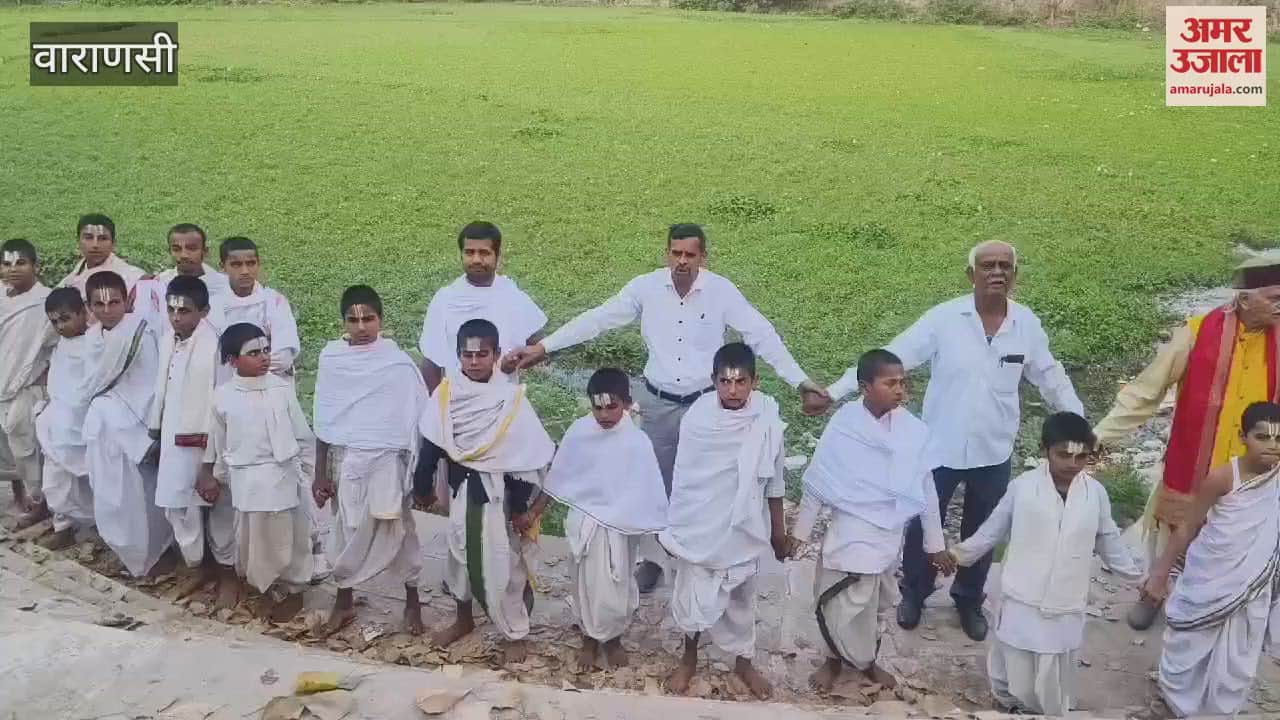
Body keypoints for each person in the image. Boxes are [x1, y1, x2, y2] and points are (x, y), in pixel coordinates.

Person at [508, 223, 827, 592]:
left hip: (707, 408)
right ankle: (655, 559)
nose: (682, 261)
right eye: (675, 253)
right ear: (666, 254)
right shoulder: (646, 288)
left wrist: (800, 381)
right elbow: (598, 319)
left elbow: (761, 334)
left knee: (705, 484)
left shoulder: (721, 292)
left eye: (690, 254)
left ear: (703, 258)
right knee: (655, 481)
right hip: (658, 404)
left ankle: (704, 555)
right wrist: (544, 347)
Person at [818, 241, 1084, 641]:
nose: (997, 272)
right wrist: (834, 391)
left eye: (1005, 266)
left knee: (985, 528)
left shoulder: (1025, 325)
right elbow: (895, 354)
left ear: (1015, 275)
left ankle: (968, 598)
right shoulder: (945, 318)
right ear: (970, 275)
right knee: (923, 522)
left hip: (994, 449)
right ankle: (914, 593)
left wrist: (1078, 424)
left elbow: (1049, 375)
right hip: (939, 446)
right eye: (988, 266)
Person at [1094, 251, 1280, 631]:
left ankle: (1217, 607)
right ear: (1244, 298)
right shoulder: (1197, 331)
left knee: (1234, 547)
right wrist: (1097, 437)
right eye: (1275, 298)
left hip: (1254, 471)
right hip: (1195, 466)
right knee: (1172, 538)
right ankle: (1154, 593)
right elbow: (1146, 391)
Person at [944, 412, 1142, 716]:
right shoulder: (1022, 488)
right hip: (1023, 595)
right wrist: (957, 555)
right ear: (1044, 451)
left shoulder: (1095, 495)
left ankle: (1047, 709)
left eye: (1081, 457)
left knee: (1054, 667)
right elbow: (991, 531)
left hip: (1067, 599)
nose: (1072, 464)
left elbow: (1110, 542)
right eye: (1063, 454)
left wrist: (1140, 579)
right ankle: (1010, 704)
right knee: (1015, 660)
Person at [785, 349, 954, 693]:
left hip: (888, 538)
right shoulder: (844, 426)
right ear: (865, 387)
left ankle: (867, 661)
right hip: (848, 535)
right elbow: (819, 482)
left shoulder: (912, 432)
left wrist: (935, 545)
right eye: (890, 383)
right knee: (836, 606)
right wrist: (800, 533)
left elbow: (925, 490)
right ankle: (832, 660)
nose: (899, 390)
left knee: (878, 605)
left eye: (902, 383)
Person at [414, 319, 556, 665]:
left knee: (503, 563)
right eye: (467, 354)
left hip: (499, 498)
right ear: (458, 355)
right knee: (459, 555)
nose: (474, 361)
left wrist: (521, 507)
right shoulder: (446, 395)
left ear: (495, 355)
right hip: (462, 490)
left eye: (482, 354)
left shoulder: (509, 399)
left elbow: (525, 458)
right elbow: (432, 444)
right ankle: (463, 618)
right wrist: (422, 486)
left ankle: (514, 631)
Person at [658, 343, 788, 700]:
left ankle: (743, 661)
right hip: (701, 525)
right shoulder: (698, 418)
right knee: (693, 591)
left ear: (754, 381)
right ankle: (689, 657)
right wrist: (678, 526)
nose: (732, 390)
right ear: (713, 381)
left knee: (743, 597)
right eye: (724, 382)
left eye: (740, 382)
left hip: (743, 527)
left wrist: (779, 531)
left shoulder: (766, 420)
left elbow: (774, 479)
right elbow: (686, 478)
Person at [1142, 401, 1280, 717]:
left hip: (1251, 585)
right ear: (1243, 436)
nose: (1272, 447)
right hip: (1211, 573)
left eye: (1279, 439)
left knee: (1237, 658)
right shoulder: (1222, 477)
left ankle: (1218, 712)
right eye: (1262, 437)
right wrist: (1160, 575)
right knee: (1190, 644)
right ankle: (1176, 703)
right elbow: (1189, 525)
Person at [312, 285, 429, 635]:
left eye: (369, 319)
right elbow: (325, 418)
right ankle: (344, 600)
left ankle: (412, 601)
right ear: (343, 322)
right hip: (348, 458)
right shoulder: (332, 359)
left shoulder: (397, 363)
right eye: (353, 319)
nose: (361, 327)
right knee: (346, 529)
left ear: (381, 320)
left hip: (388, 459)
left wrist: (420, 474)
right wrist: (321, 473)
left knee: (399, 527)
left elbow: (416, 417)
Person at [536, 368, 668, 670]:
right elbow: (560, 475)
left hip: (618, 529)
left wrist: (653, 527)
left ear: (626, 403)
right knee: (584, 584)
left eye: (612, 407)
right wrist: (535, 510)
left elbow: (648, 489)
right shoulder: (579, 432)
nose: (605, 414)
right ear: (590, 404)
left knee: (614, 585)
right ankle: (589, 637)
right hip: (584, 523)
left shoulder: (637, 442)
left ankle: (612, 638)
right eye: (598, 407)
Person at [202, 323, 315, 622]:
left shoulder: (281, 389)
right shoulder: (222, 397)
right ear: (232, 360)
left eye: (266, 350)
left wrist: (308, 470)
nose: (264, 357)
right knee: (255, 542)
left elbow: (302, 434)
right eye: (253, 353)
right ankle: (265, 589)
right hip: (247, 480)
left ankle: (294, 590)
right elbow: (219, 441)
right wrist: (218, 474)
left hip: (282, 476)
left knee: (289, 537)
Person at [148, 276, 238, 608]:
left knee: (217, 507)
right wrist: (156, 432)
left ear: (204, 311)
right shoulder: (168, 339)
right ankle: (197, 567)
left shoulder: (214, 347)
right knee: (179, 507)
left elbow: (220, 404)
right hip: (173, 439)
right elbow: (163, 391)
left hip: (207, 444)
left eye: (184, 311)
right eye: (171, 310)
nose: (176, 317)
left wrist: (209, 464)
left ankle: (228, 574)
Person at [82, 271, 173, 577]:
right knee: (113, 494)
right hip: (107, 431)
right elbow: (91, 385)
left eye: (114, 302)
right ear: (89, 306)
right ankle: (128, 554)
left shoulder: (145, 330)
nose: (107, 310)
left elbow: (157, 379)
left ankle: (157, 555)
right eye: (99, 304)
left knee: (145, 493)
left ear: (128, 300)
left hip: (143, 424)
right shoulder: (91, 340)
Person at [417, 221, 546, 391]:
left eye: (484, 253)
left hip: (503, 397)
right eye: (469, 253)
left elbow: (536, 345)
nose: (476, 259)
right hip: (457, 399)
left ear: (497, 256)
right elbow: (431, 361)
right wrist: (435, 408)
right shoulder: (445, 299)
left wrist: (513, 363)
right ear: (461, 255)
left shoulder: (511, 294)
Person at [35, 287, 95, 550]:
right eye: (55, 322)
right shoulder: (61, 345)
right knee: (55, 479)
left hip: (85, 425)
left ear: (83, 313)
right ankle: (63, 527)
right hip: (58, 425)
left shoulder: (97, 342)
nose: (60, 326)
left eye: (65, 318)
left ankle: (104, 529)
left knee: (95, 480)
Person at [1, 239, 56, 522]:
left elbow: (57, 343)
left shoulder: (46, 300)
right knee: (8, 447)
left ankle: (40, 502)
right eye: (7, 264)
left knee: (27, 447)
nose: (13, 269)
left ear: (36, 266)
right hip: (1, 385)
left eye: (21, 262)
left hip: (27, 387)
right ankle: (19, 495)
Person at [208, 236, 300, 383]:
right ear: (223, 266)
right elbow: (212, 357)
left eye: (251, 263)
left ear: (258, 263)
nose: (245, 271)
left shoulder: (273, 301)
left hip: (270, 387)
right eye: (236, 265)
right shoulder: (212, 306)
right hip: (226, 389)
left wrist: (241, 367)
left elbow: (283, 357)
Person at [133, 223, 232, 315]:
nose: (184, 255)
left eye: (192, 248)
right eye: (176, 249)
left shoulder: (225, 285)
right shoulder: (160, 284)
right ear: (170, 251)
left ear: (205, 251)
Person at [59, 214, 147, 298]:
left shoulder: (132, 278)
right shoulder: (75, 274)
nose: (95, 245)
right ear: (78, 241)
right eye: (89, 238)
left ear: (113, 243)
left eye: (103, 238)